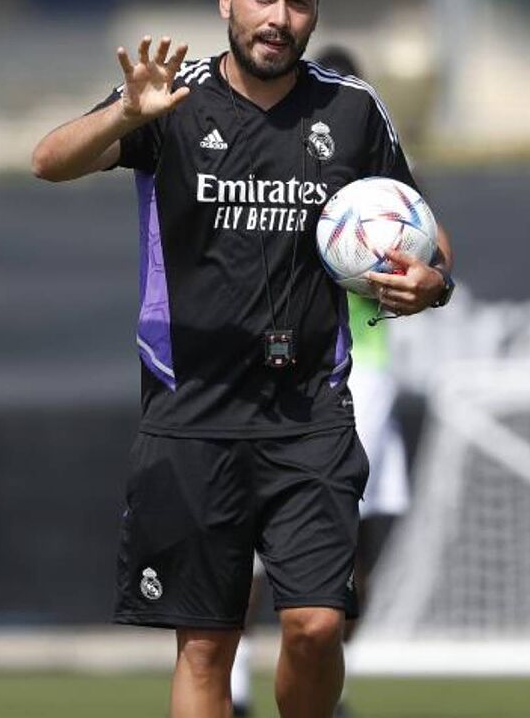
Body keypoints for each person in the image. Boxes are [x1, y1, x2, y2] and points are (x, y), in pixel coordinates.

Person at [32, 0, 454, 718]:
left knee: (318, 626)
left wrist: (431, 284)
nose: (278, 17)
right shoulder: (172, 99)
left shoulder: (353, 111)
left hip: (309, 416)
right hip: (190, 415)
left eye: (298, 1)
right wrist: (126, 114)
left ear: (316, 13)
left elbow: (426, 235)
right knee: (206, 647)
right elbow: (47, 160)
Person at [228, 46, 413, 718]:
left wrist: (423, 272)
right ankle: (239, 689)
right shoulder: (262, 164)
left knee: (347, 554)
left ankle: (326, 690)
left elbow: (428, 247)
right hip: (289, 376)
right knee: (246, 548)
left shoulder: (375, 179)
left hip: (367, 372)